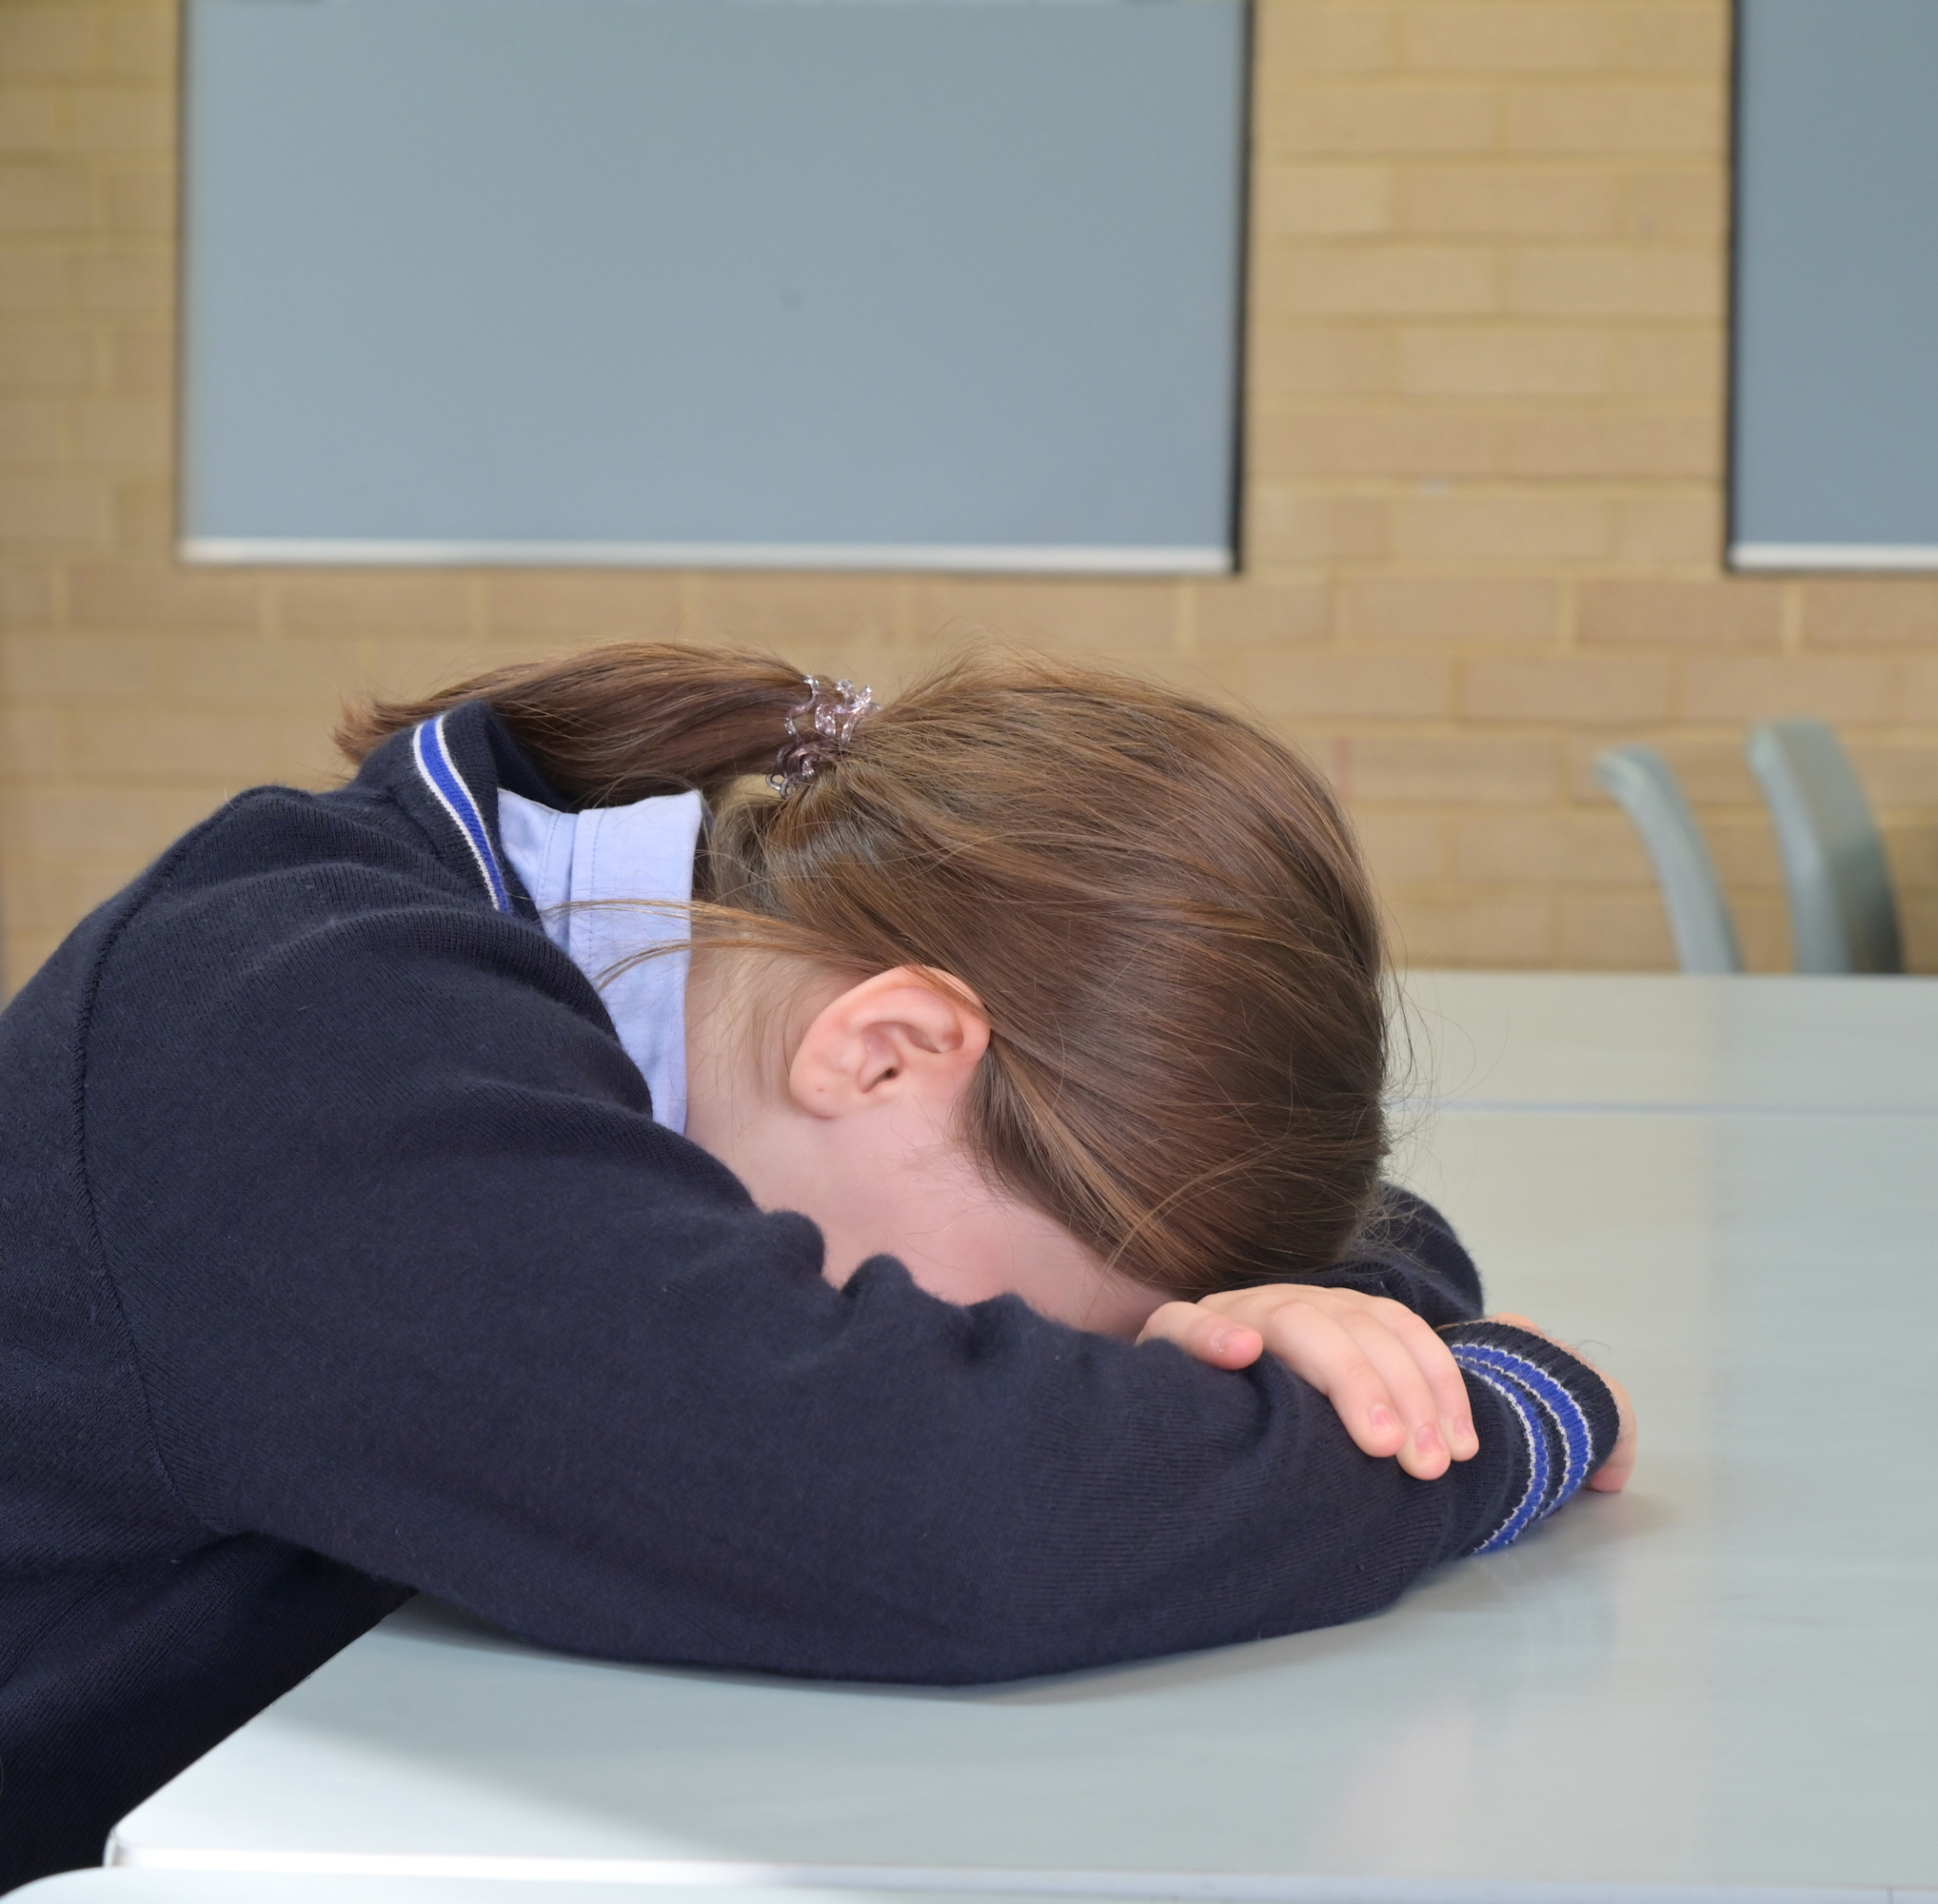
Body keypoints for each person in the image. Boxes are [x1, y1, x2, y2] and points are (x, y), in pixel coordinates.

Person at [0, 643, 1628, 1888]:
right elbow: (942, 1511)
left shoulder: (624, 955)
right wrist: (1485, 1422)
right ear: (891, 1048)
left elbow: (1364, 1225)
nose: (1030, 1367)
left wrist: (1343, 1323)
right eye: (1010, 1334)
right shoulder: (304, 1044)